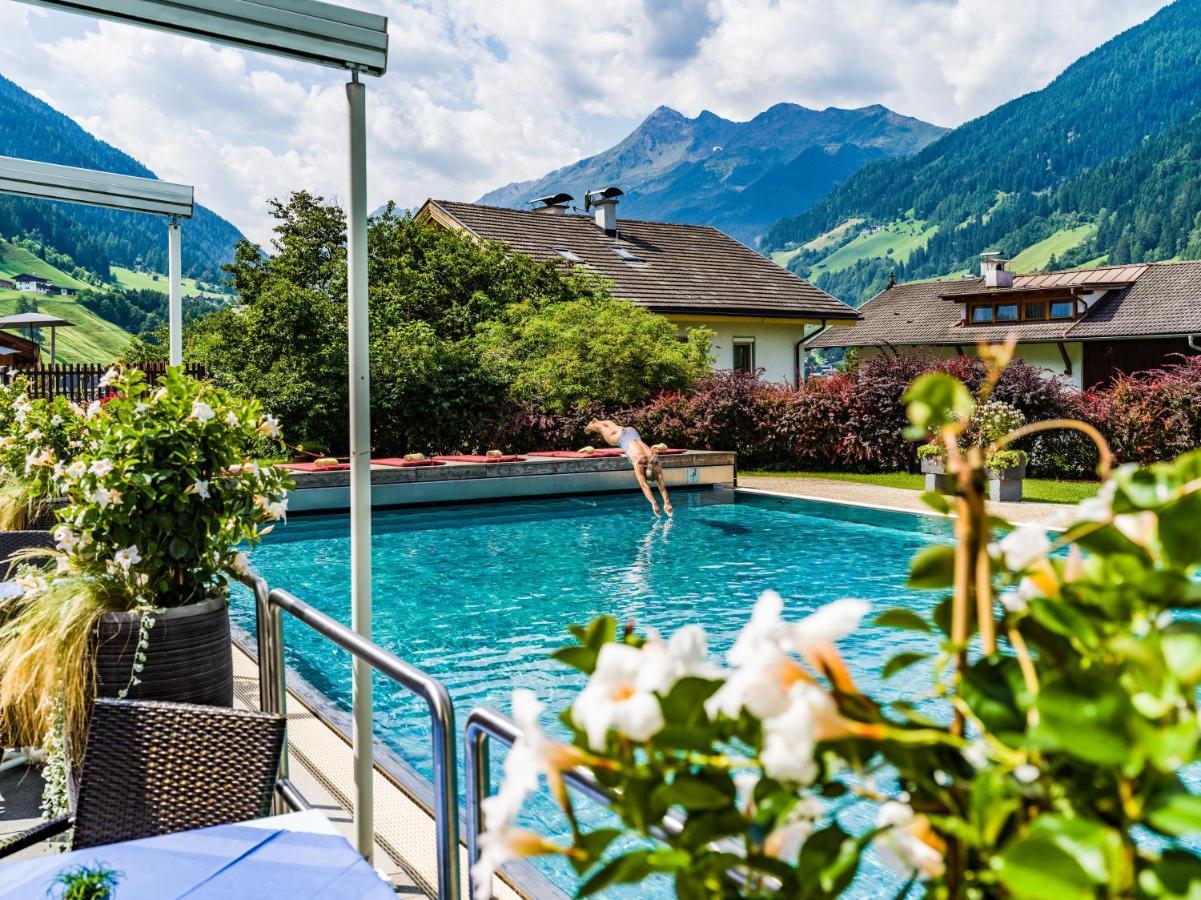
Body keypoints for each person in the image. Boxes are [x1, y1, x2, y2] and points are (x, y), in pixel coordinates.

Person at [585, 420, 673, 516]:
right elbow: (644, 485)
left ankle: (598, 421)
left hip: (632, 432)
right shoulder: (638, 462)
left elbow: (661, 482)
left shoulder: (654, 461)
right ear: (645, 472)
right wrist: (654, 503)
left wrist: (667, 502)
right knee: (602, 429)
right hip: (620, 438)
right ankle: (592, 425)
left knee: (614, 426)